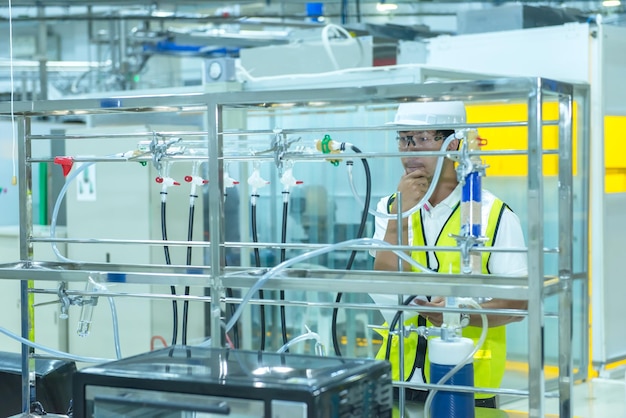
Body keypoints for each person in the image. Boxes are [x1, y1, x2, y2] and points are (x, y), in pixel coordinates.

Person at [371, 101, 528, 409]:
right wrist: (398, 218)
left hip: (466, 382)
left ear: (453, 144)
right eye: (404, 139)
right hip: (397, 379)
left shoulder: (494, 214)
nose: (410, 150)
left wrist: (462, 312)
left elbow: (519, 303)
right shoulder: (389, 206)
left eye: (422, 139)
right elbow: (382, 285)